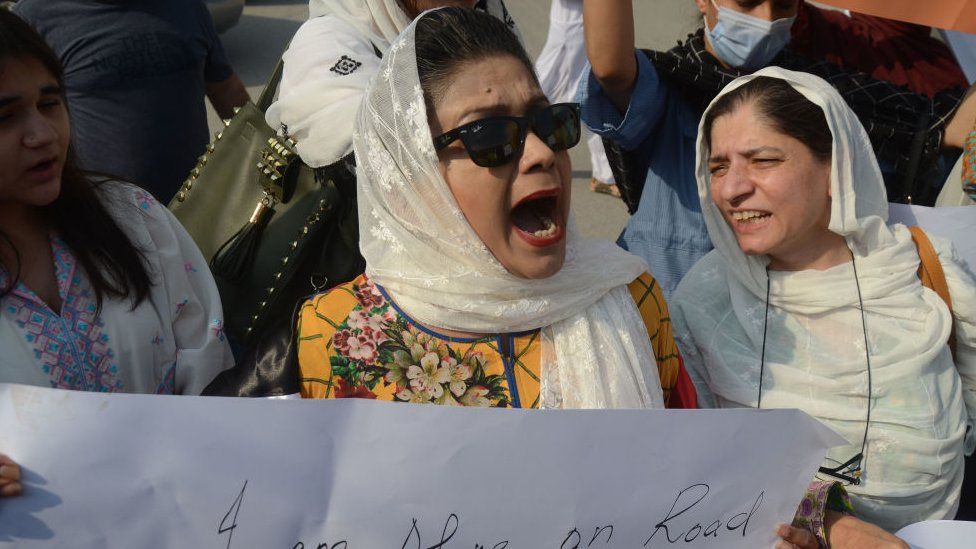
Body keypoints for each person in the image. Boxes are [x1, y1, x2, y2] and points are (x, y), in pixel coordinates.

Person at [294, 9, 907, 547]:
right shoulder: (343, 334)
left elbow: (705, 465)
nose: (540, 154)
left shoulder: (627, 296)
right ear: (412, 170)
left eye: (551, 123)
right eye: (490, 136)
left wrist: (832, 524)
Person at [670, 68, 976, 532]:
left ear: (835, 169)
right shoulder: (707, 300)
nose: (732, 189)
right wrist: (825, 522)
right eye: (718, 167)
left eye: (763, 160)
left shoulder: (927, 274)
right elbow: (696, 466)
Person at [581, 0, 971, 298]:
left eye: (783, 5)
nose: (767, 19)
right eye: (749, 2)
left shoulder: (822, 91)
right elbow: (611, 68)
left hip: (784, 326)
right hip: (669, 311)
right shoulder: (673, 84)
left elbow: (941, 127)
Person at [0, 9, 233, 496]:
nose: (42, 134)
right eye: (6, 117)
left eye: (50, 103)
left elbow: (209, 364)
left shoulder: (132, 218)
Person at [13, 0, 250, 203]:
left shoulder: (186, 6)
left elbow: (226, 89)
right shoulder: (35, 17)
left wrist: (262, 153)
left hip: (195, 205)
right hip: (101, 217)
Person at [534, 0, 619, 197]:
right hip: (571, 24)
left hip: (592, 20)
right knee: (535, 97)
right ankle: (499, 143)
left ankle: (605, 175)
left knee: (593, 94)